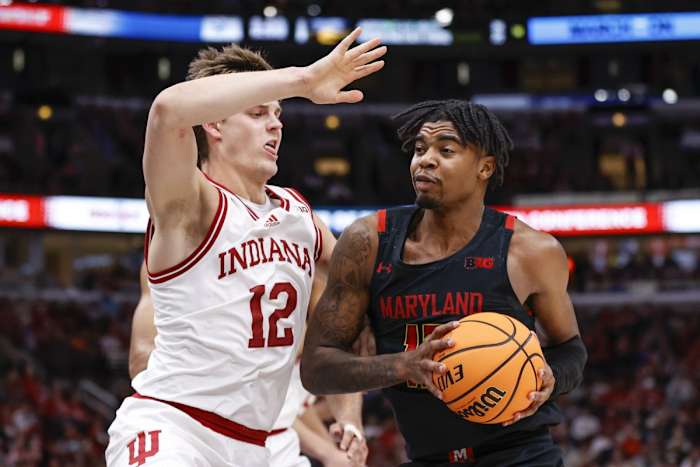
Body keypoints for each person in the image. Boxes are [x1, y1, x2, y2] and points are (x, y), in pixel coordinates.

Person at [106, 27, 386, 466]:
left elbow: (352, 310)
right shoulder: (190, 205)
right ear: (214, 122)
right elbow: (166, 111)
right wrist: (302, 81)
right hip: (176, 429)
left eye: (278, 114)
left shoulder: (301, 217)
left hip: (260, 446)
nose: (276, 123)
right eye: (258, 113)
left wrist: (349, 417)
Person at [301, 99, 588, 466]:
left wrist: (552, 377)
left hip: (521, 454)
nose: (426, 159)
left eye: (446, 150)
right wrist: (403, 365)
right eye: (420, 149)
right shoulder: (368, 242)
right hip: (428, 457)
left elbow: (571, 349)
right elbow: (316, 369)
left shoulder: (531, 251)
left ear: (485, 167)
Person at [128, 261, 368, 467]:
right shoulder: (176, 245)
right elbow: (141, 362)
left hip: (275, 442)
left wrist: (349, 426)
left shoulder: (305, 238)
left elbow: (334, 356)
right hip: (192, 427)